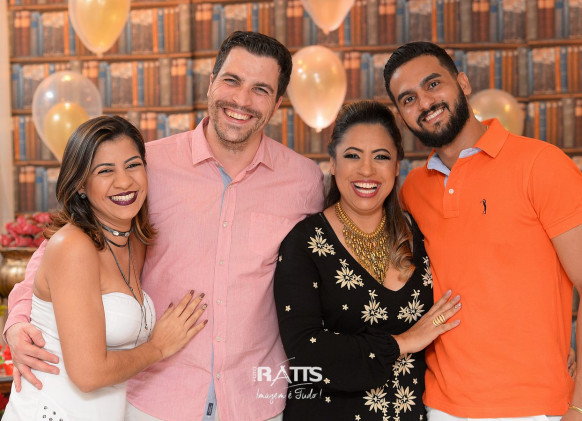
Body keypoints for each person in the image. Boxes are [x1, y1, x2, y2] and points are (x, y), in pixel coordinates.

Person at [4, 32, 324, 421]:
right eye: (232, 80)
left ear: (277, 104)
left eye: (260, 89)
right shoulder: (144, 167)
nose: (241, 99)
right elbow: (63, 247)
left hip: (255, 400)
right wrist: (18, 321)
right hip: (156, 400)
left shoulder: (304, 181)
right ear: (211, 83)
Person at [383, 41, 582, 420]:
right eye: (408, 99)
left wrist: (580, 405)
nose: (424, 103)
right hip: (441, 407)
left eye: (432, 84)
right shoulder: (412, 191)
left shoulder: (542, 164)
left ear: (463, 83)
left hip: (536, 409)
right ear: (402, 115)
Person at [3, 115, 207, 420]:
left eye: (133, 165)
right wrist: (158, 347)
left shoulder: (133, 240)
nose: (124, 182)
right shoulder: (73, 246)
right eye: (105, 170)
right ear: (81, 185)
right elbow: (88, 375)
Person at [274, 101, 461, 421]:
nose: (366, 170)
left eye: (381, 157)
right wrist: (402, 343)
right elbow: (305, 353)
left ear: (397, 166)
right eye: (352, 155)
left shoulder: (419, 234)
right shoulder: (303, 243)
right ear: (333, 163)